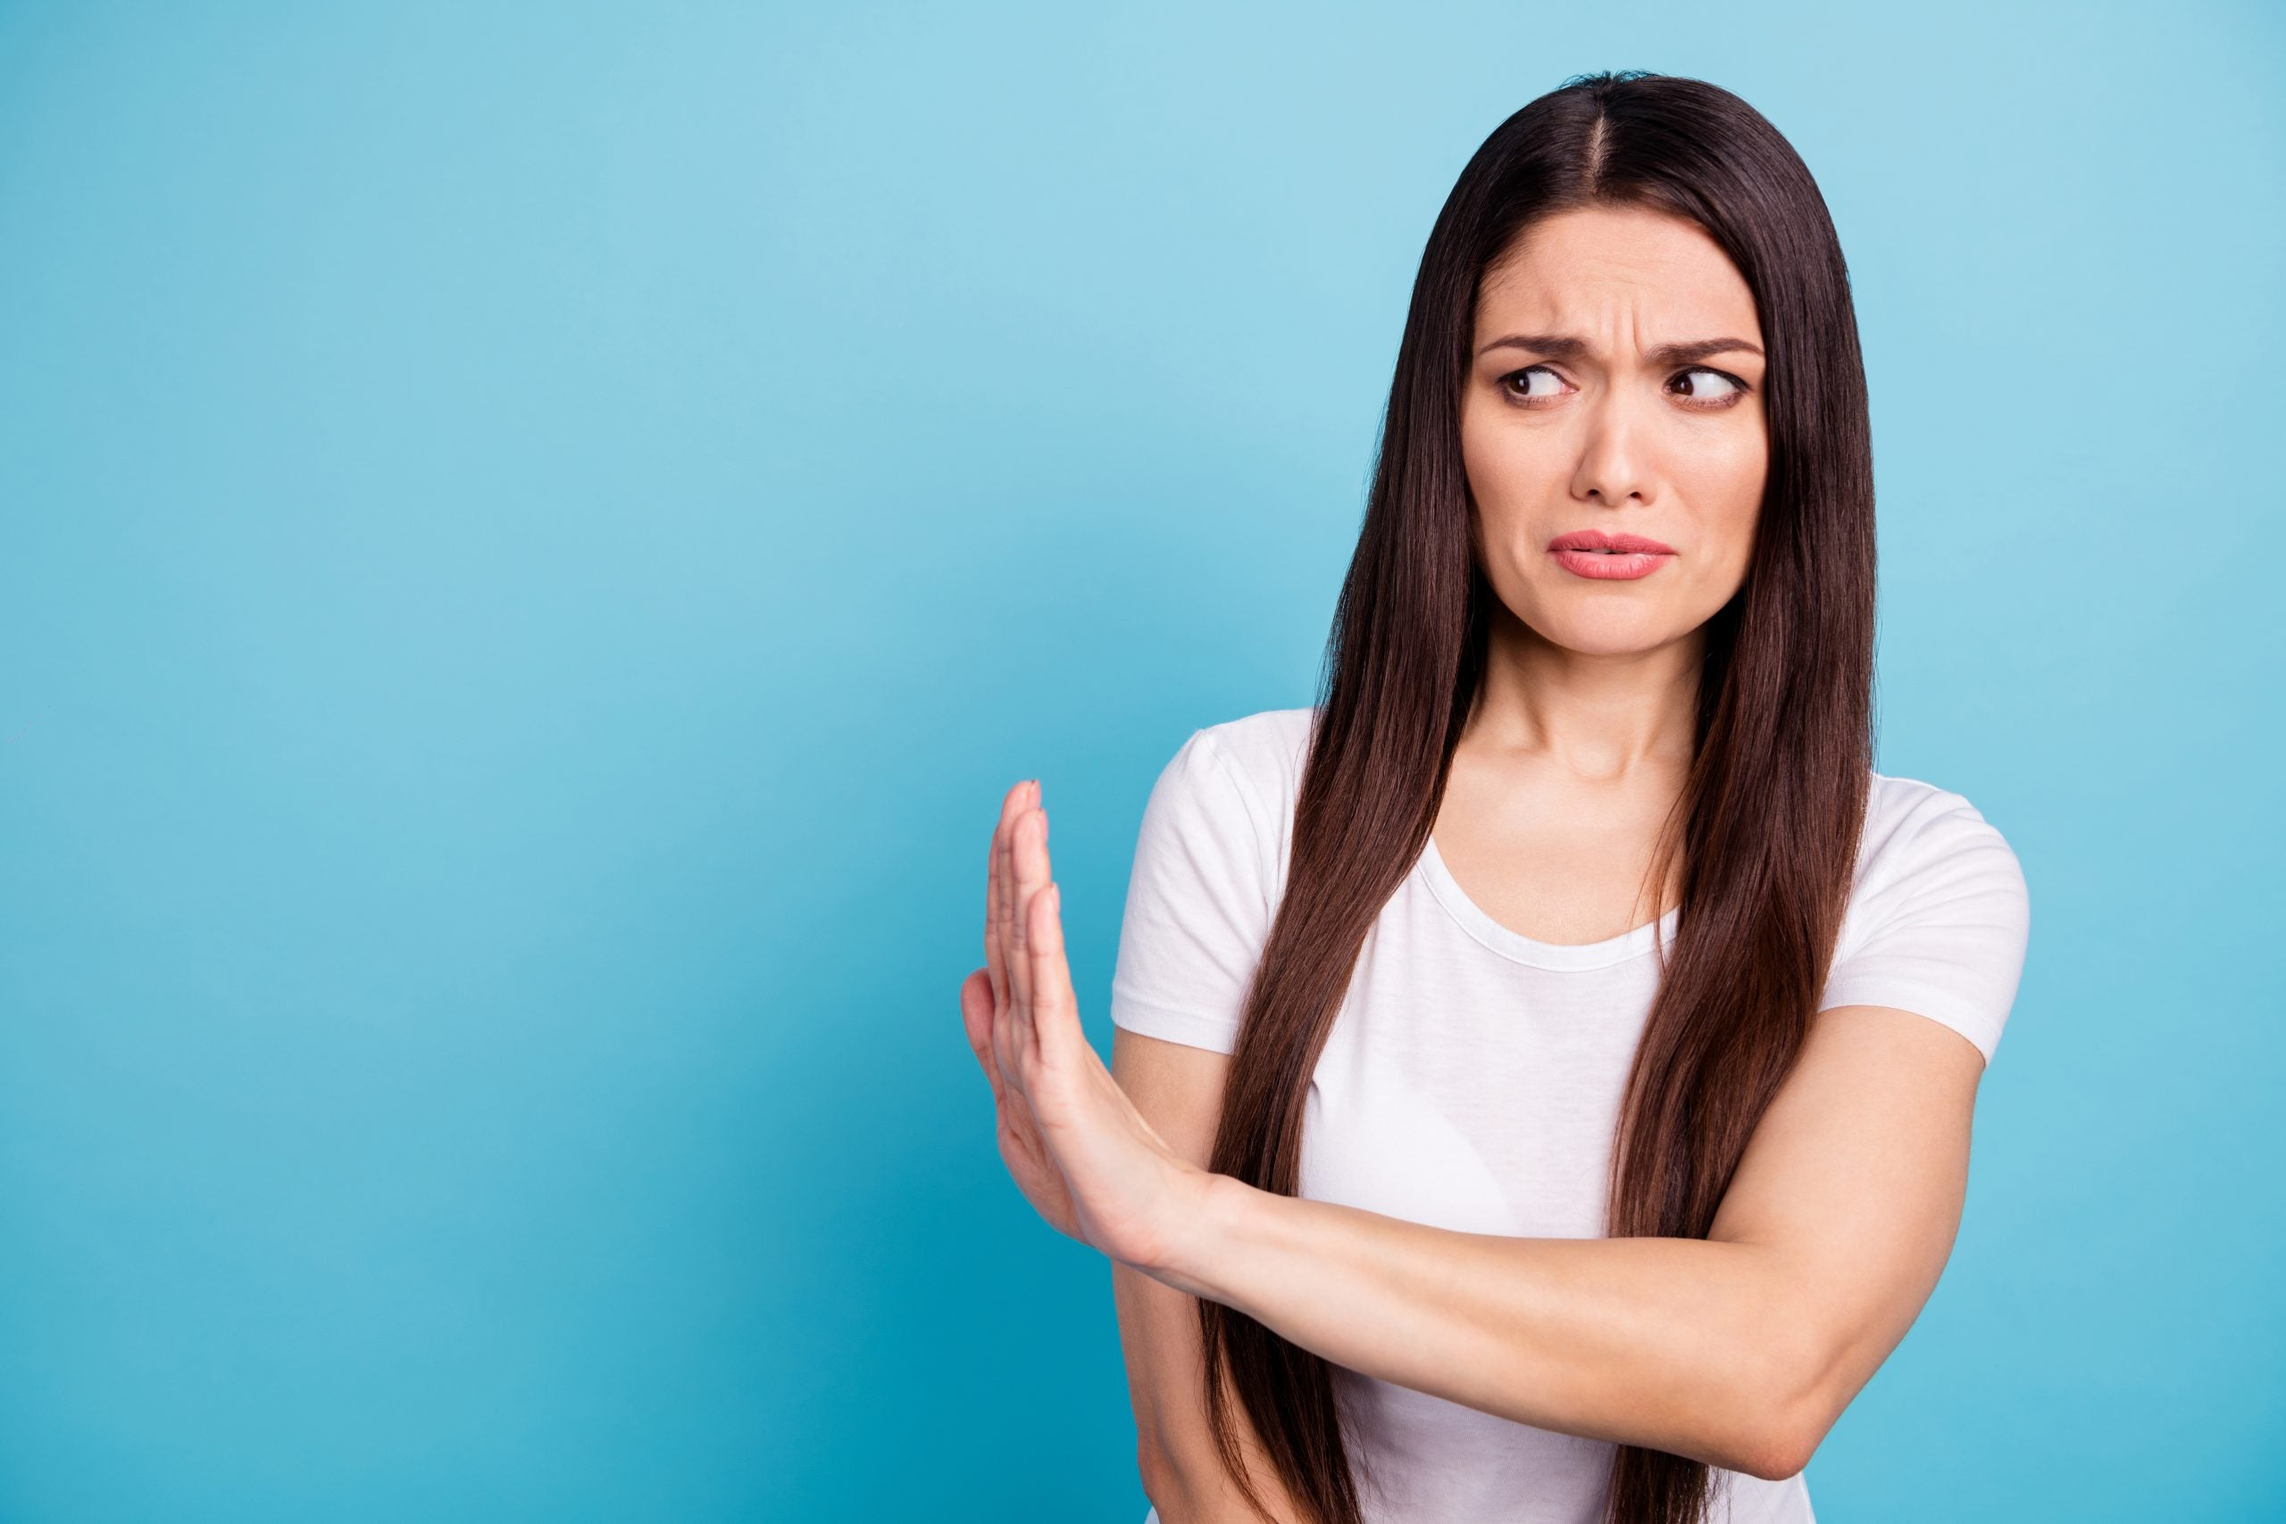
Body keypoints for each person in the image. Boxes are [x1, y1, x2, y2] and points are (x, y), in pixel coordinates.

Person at [958, 69, 2030, 1524]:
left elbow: (1771, 1372)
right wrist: (1180, 1234)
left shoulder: (1909, 871)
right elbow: (1204, 1468)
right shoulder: (1247, 806)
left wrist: (1190, 1222)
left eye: (1699, 383)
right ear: (1444, 421)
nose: (1612, 468)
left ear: (1798, 436)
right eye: (1534, 378)